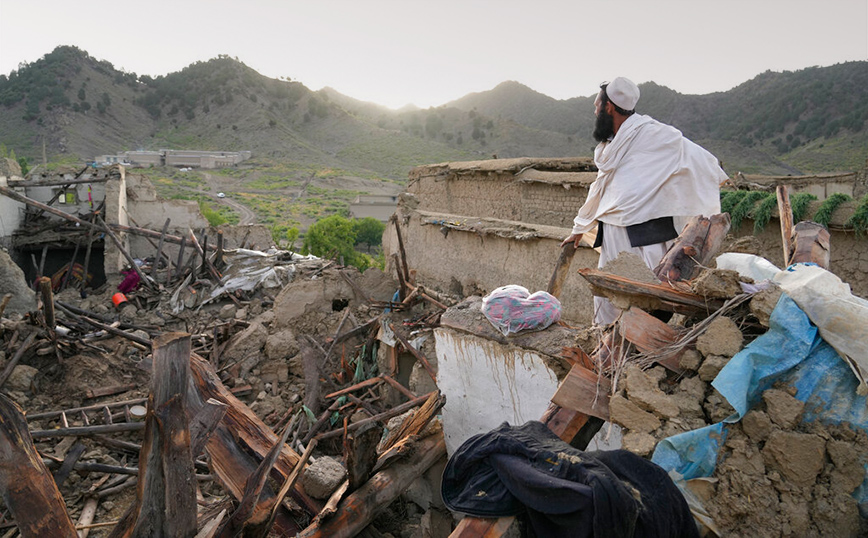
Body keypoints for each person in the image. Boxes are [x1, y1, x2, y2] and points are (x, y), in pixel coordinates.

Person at [561, 77, 727, 325]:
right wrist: (579, 229)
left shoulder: (654, 134)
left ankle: (640, 357)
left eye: (597, 106)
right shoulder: (612, 146)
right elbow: (601, 188)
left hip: (646, 236)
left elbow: (701, 158)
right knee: (608, 299)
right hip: (613, 233)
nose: (594, 111)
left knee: (644, 303)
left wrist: (714, 179)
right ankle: (605, 353)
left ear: (609, 107)